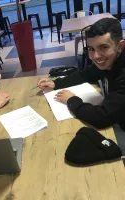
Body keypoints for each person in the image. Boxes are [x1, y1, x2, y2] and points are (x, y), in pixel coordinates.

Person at [37, 18, 125, 152]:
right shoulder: (110, 61)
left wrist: (72, 100)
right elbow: (86, 74)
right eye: (91, 49)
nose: (95, 56)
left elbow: (102, 118)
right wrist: (55, 83)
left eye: (104, 47)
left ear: (120, 46)